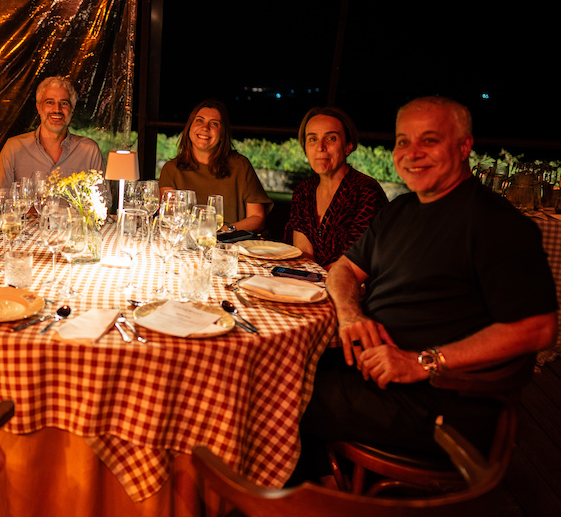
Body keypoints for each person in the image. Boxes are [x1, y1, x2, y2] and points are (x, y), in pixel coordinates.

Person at [297, 96, 556, 473]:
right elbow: (344, 269)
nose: (412, 153)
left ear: (464, 146)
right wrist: (351, 315)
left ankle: (292, 491)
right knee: (280, 371)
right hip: (375, 372)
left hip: (437, 401)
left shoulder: (495, 223)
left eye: (429, 140)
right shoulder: (399, 211)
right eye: (403, 141)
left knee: (280, 397)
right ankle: (318, 481)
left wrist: (424, 362)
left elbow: (538, 328)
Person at [285, 107, 388, 270]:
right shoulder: (304, 191)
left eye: (331, 138)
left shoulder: (366, 192)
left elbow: (355, 261)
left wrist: (312, 276)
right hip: (309, 279)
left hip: (354, 282)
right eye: (312, 139)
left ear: (348, 146)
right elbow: (303, 252)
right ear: (305, 148)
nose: (320, 147)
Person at [158, 98, 271, 232]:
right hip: (186, 242)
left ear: (222, 133)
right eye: (199, 120)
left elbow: (257, 217)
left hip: (231, 242)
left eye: (214, 123)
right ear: (189, 128)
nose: (205, 128)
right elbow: (169, 219)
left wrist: (224, 230)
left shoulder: (241, 165)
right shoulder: (171, 169)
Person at [0, 76, 102, 192]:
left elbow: (103, 199)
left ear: (72, 109)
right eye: (50, 102)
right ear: (39, 107)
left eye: (64, 103)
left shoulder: (89, 151)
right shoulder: (14, 148)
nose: (57, 109)